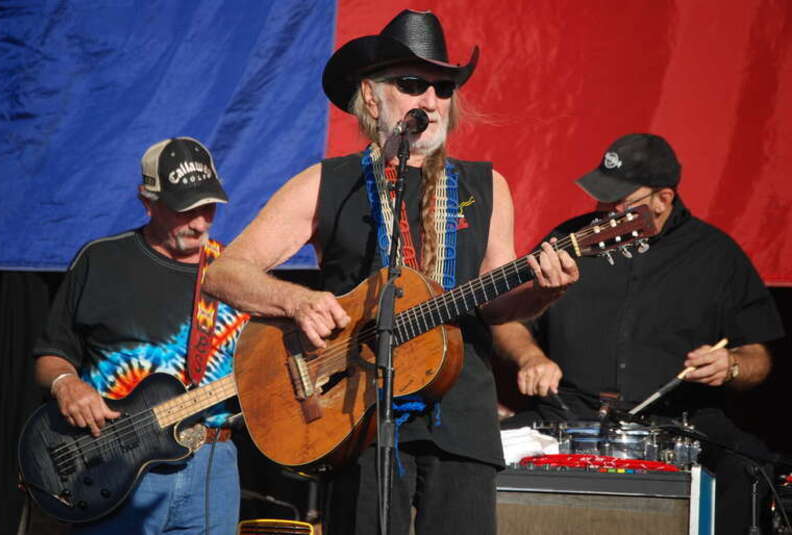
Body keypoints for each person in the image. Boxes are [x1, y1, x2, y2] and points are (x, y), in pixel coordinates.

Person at [202, 9, 578, 535]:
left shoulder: (488, 187)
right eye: (412, 83)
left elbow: (495, 303)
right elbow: (224, 274)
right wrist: (298, 302)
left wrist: (540, 294)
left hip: (461, 420)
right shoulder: (327, 183)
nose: (431, 99)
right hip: (358, 414)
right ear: (372, 97)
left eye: (443, 88)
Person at [511, 133, 785, 535]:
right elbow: (510, 319)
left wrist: (731, 367)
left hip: (680, 421)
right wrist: (529, 357)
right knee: (482, 452)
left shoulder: (717, 255)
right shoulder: (571, 240)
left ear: (663, 198)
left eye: (621, 202)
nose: (607, 211)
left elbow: (757, 355)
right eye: (602, 198)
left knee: (747, 468)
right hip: (571, 415)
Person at [33, 137, 244, 535]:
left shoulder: (236, 272)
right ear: (147, 201)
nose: (200, 222)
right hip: (113, 464)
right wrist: (66, 384)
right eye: (185, 209)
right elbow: (50, 356)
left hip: (212, 465)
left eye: (208, 207)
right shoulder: (100, 259)